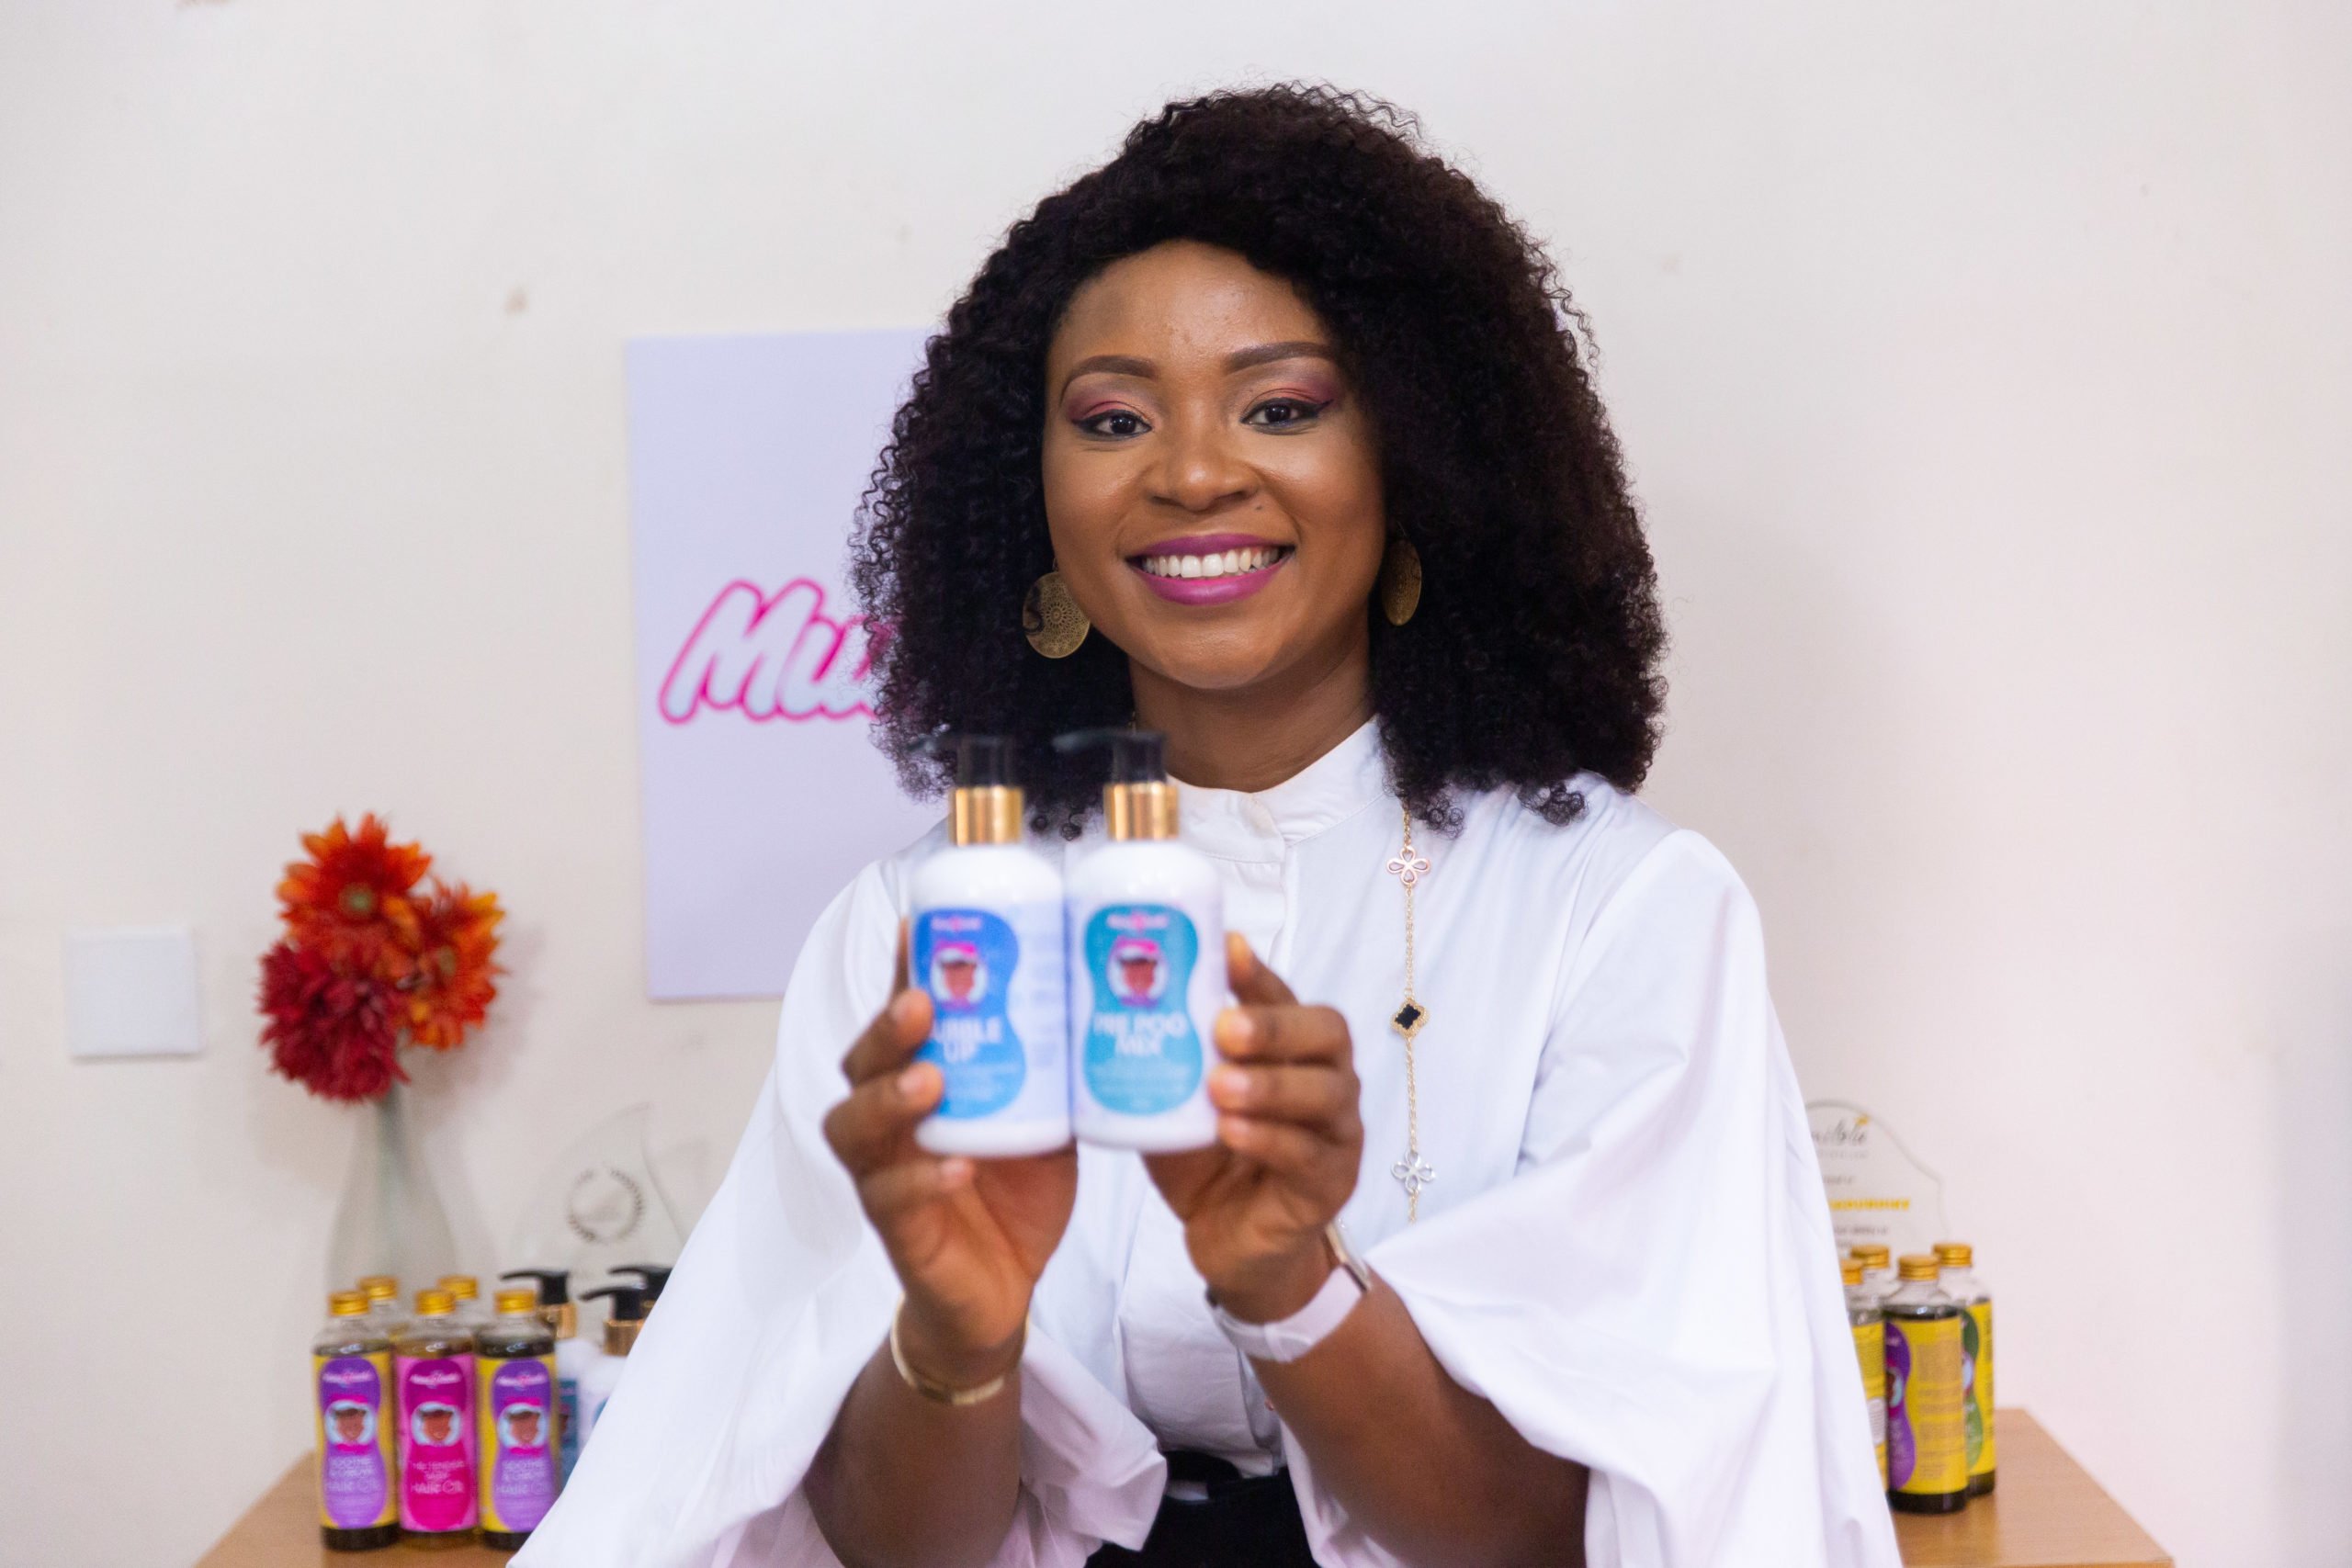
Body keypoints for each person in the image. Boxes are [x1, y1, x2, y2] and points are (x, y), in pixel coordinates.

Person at [525, 85, 1896, 1568]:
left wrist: (1292, 1284)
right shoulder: (924, 929)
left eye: (1282, 406)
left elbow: (1573, 1535)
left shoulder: (1623, 914)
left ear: (1416, 467)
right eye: (1114, 419)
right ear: (1030, 506)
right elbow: (880, 1548)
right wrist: (955, 1337)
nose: (1190, 471)